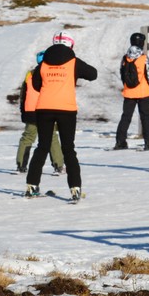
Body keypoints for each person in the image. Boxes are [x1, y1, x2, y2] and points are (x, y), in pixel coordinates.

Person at [25, 32, 97, 200]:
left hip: (44, 108)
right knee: (68, 149)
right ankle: (75, 188)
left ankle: (31, 185)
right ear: (71, 44)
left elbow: (35, 84)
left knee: (42, 147)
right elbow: (93, 74)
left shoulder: (43, 63)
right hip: (66, 109)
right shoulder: (74, 62)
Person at [15, 52, 64, 174]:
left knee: (27, 138)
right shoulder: (51, 74)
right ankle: (58, 166)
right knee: (51, 138)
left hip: (31, 111)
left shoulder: (30, 75)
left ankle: (21, 166)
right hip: (47, 110)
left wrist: (24, 112)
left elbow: (23, 94)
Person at [113, 30, 149, 151]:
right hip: (143, 91)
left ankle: (120, 142)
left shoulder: (125, 58)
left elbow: (122, 74)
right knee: (146, 118)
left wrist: (127, 86)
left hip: (129, 92)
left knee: (126, 117)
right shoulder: (144, 58)